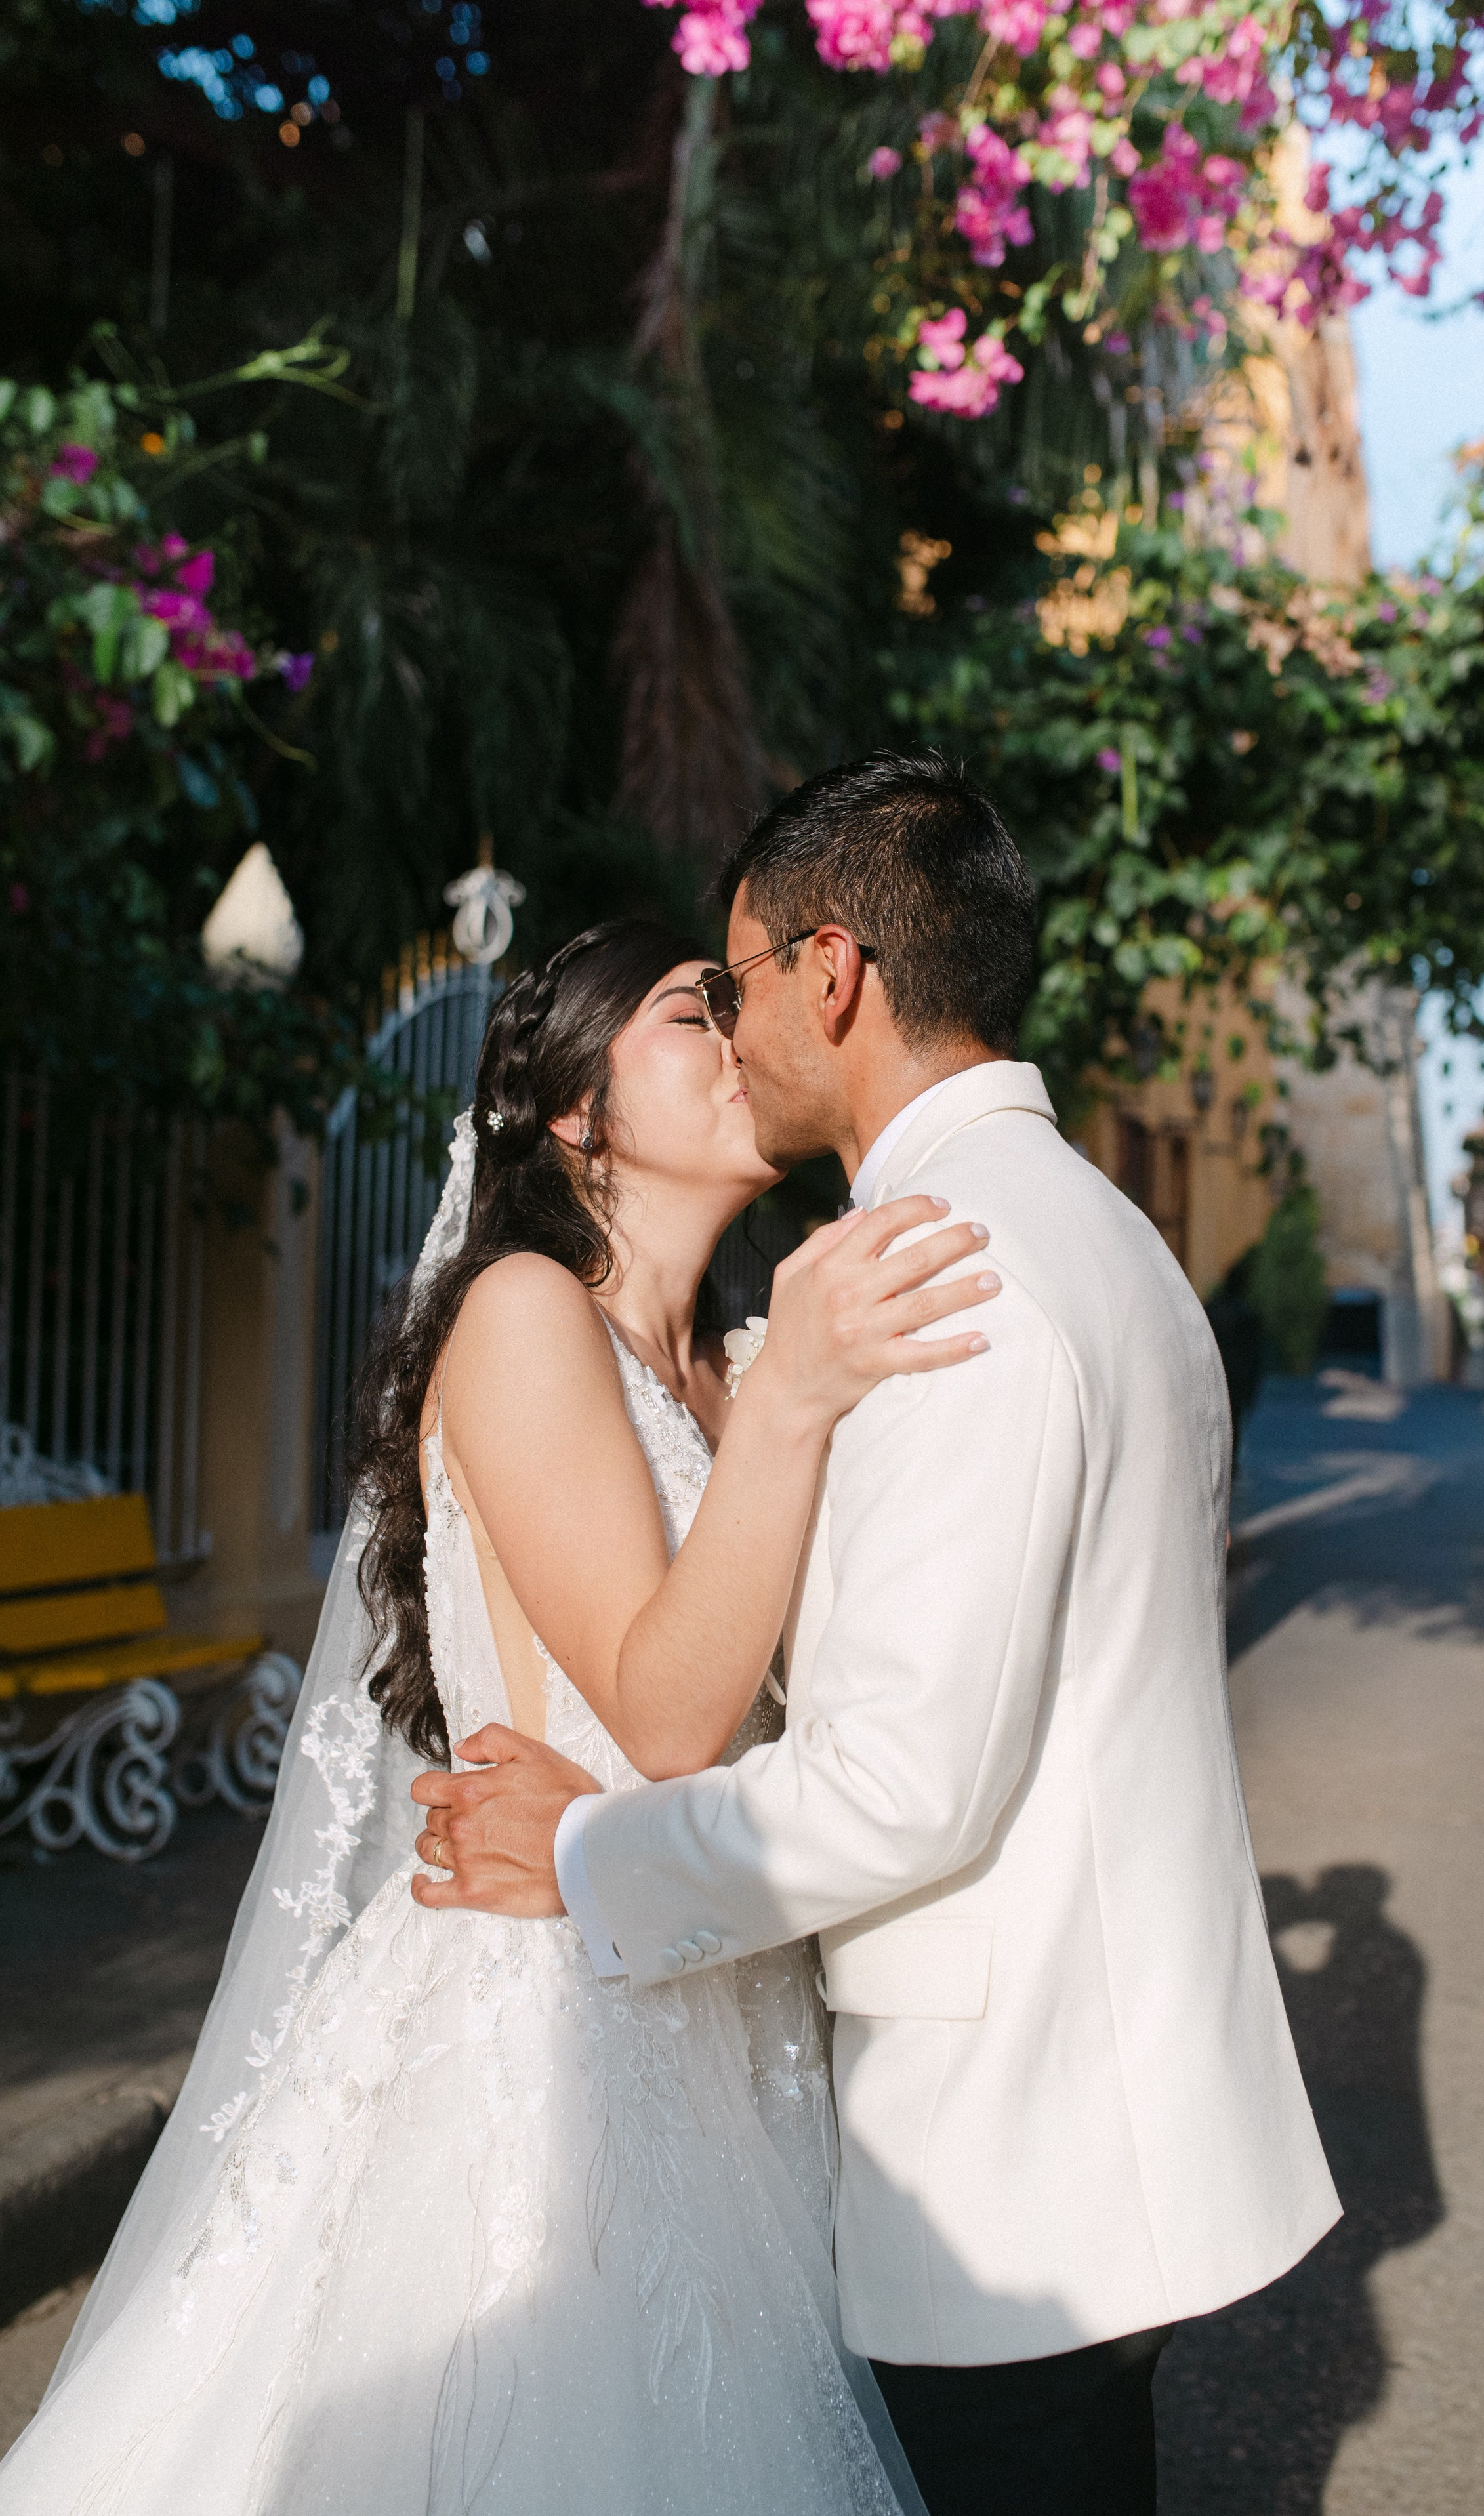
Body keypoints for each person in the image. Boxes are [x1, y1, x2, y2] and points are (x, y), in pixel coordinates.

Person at [418, 753, 1343, 2516]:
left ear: (830, 972)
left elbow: (903, 1779)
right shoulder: (1095, 1233)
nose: (738, 1024)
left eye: (738, 980)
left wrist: (589, 1847)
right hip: (1054, 2099)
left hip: (1010, 2142)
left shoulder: (951, 1275)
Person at [0, 917, 1002, 2516]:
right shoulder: (527, 1312)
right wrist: (807, 1396)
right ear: (574, 1112)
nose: (741, 1038)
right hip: (545, 2021)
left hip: (723, 1991)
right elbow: (670, 1713)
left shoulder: (737, 1364)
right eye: (695, 1014)